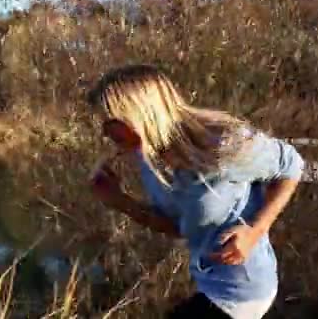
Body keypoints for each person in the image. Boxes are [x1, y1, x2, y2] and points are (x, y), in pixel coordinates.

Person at [85, 64, 304, 319]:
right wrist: (119, 201)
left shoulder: (222, 144)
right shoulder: (149, 158)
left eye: (111, 122)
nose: (105, 132)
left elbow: (292, 165)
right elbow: (178, 227)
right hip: (209, 284)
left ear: (141, 113)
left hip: (243, 290)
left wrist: (256, 230)